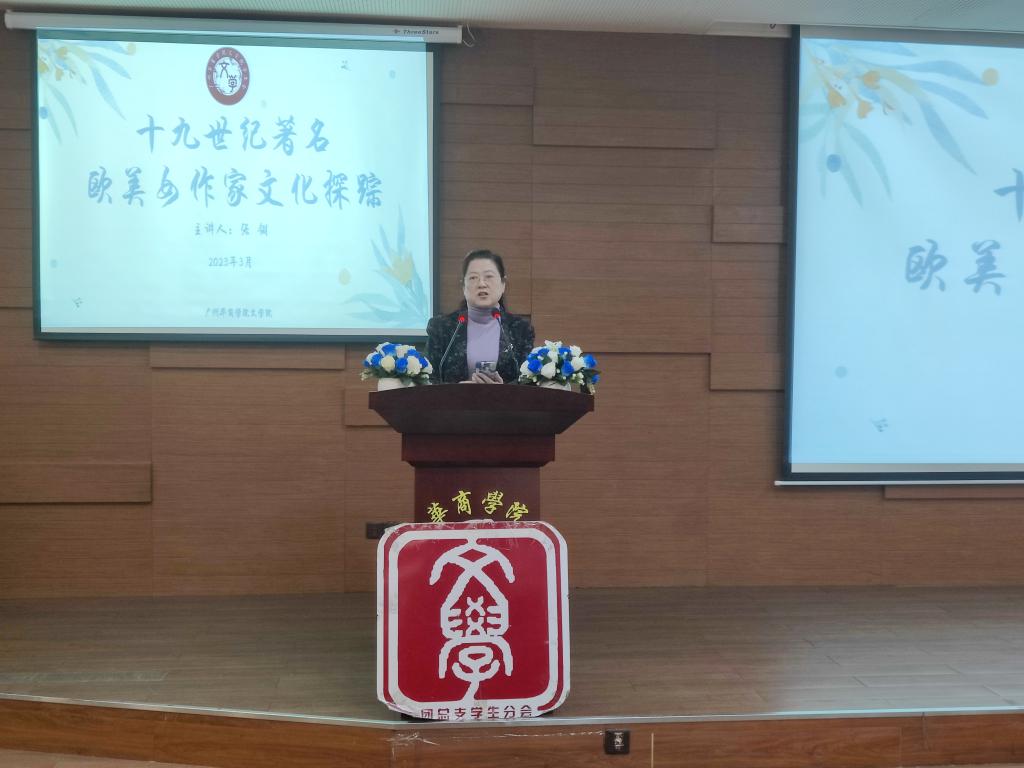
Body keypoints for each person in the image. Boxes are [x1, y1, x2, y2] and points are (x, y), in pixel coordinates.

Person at [426, 249, 535, 384]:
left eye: (489, 276)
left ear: (503, 284)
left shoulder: (521, 329)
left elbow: (528, 380)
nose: (482, 284)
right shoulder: (441, 327)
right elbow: (428, 379)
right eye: (473, 278)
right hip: (453, 399)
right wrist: (456, 390)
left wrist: (504, 390)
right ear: (463, 286)